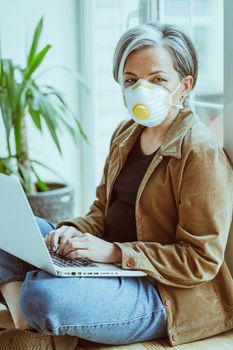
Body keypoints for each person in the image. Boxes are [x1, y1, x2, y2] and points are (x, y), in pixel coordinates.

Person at [0, 22, 233, 349]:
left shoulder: (200, 153)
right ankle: (34, 320)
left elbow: (200, 259)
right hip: (108, 267)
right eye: (131, 80)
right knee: (7, 229)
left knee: (42, 294)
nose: (141, 89)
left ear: (185, 85)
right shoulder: (127, 133)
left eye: (158, 79)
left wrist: (112, 252)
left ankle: (36, 316)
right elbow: (101, 211)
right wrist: (70, 231)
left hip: (162, 291)